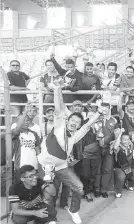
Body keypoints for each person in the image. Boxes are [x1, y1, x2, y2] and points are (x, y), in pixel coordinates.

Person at [37, 78, 103, 224]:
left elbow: (87, 126)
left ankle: (73, 211)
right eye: (73, 120)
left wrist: (99, 113)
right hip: (45, 166)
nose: (75, 123)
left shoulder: (75, 135)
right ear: (68, 120)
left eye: (78, 122)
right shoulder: (60, 125)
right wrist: (57, 88)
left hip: (61, 167)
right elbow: (58, 108)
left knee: (79, 187)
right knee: (49, 193)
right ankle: (50, 218)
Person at [94, 101, 120, 199]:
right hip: (97, 147)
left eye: (106, 108)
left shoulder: (114, 120)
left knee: (107, 169)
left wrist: (114, 143)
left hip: (109, 148)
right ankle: (96, 189)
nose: (104, 110)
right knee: (97, 169)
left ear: (109, 108)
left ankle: (104, 189)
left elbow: (117, 133)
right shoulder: (96, 118)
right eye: (102, 108)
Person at [111, 128, 134, 198]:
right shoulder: (118, 147)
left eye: (128, 139)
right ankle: (118, 191)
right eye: (124, 140)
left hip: (129, 167)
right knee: (122, 177)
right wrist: (120, 134)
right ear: (121, 140)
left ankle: (128, 184)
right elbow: (115, 146)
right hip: (119, 168)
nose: (126, 141)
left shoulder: (131, 146)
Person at [11, 104, 41, 176]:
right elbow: (18, 128)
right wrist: (25, 112)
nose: (26, 122)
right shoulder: (15, 133)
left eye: (27, 120)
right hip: (20, 167)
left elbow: (38, 150)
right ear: (18, 123)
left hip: (34, 167)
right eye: (23, 121)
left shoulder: (34, 134)